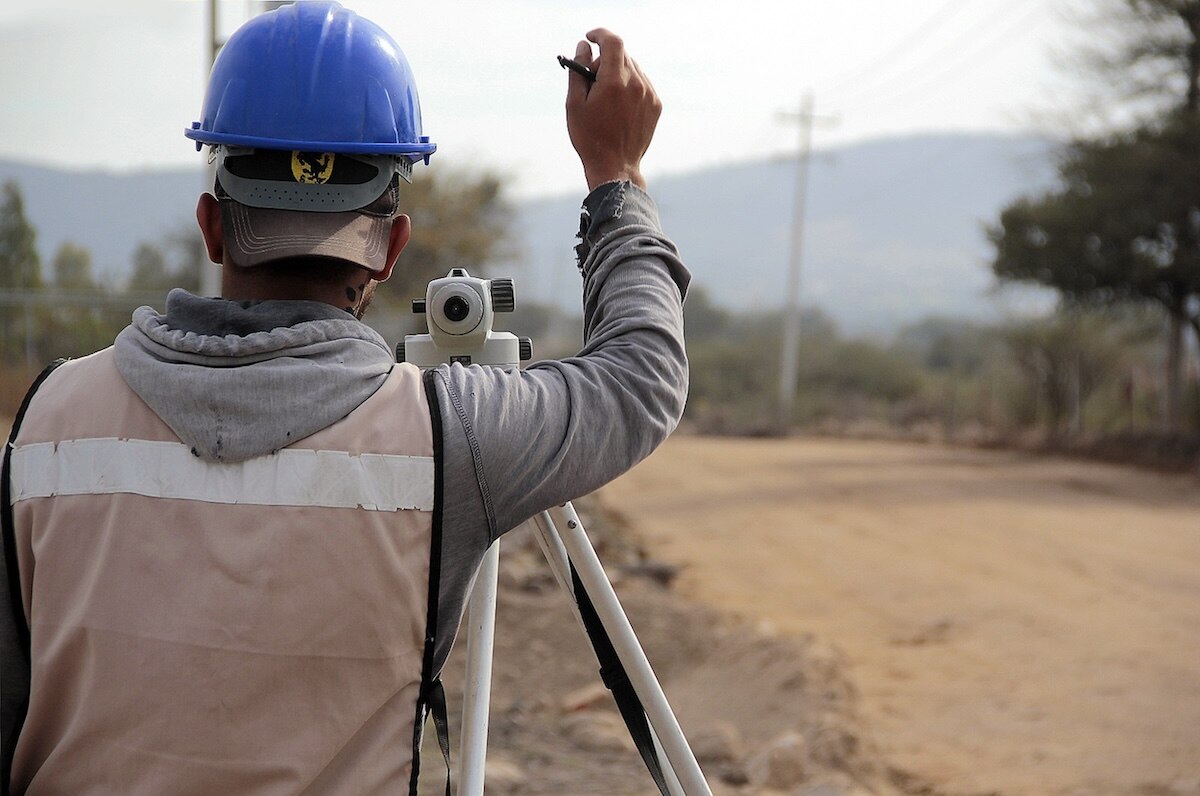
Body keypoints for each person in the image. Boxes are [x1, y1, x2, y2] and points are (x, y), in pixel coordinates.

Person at [0, 2, 688, 794]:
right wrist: (617, 176)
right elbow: (641, 379)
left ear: (212, 227)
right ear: (391, 249)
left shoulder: (46, 423)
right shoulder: (447, 438)